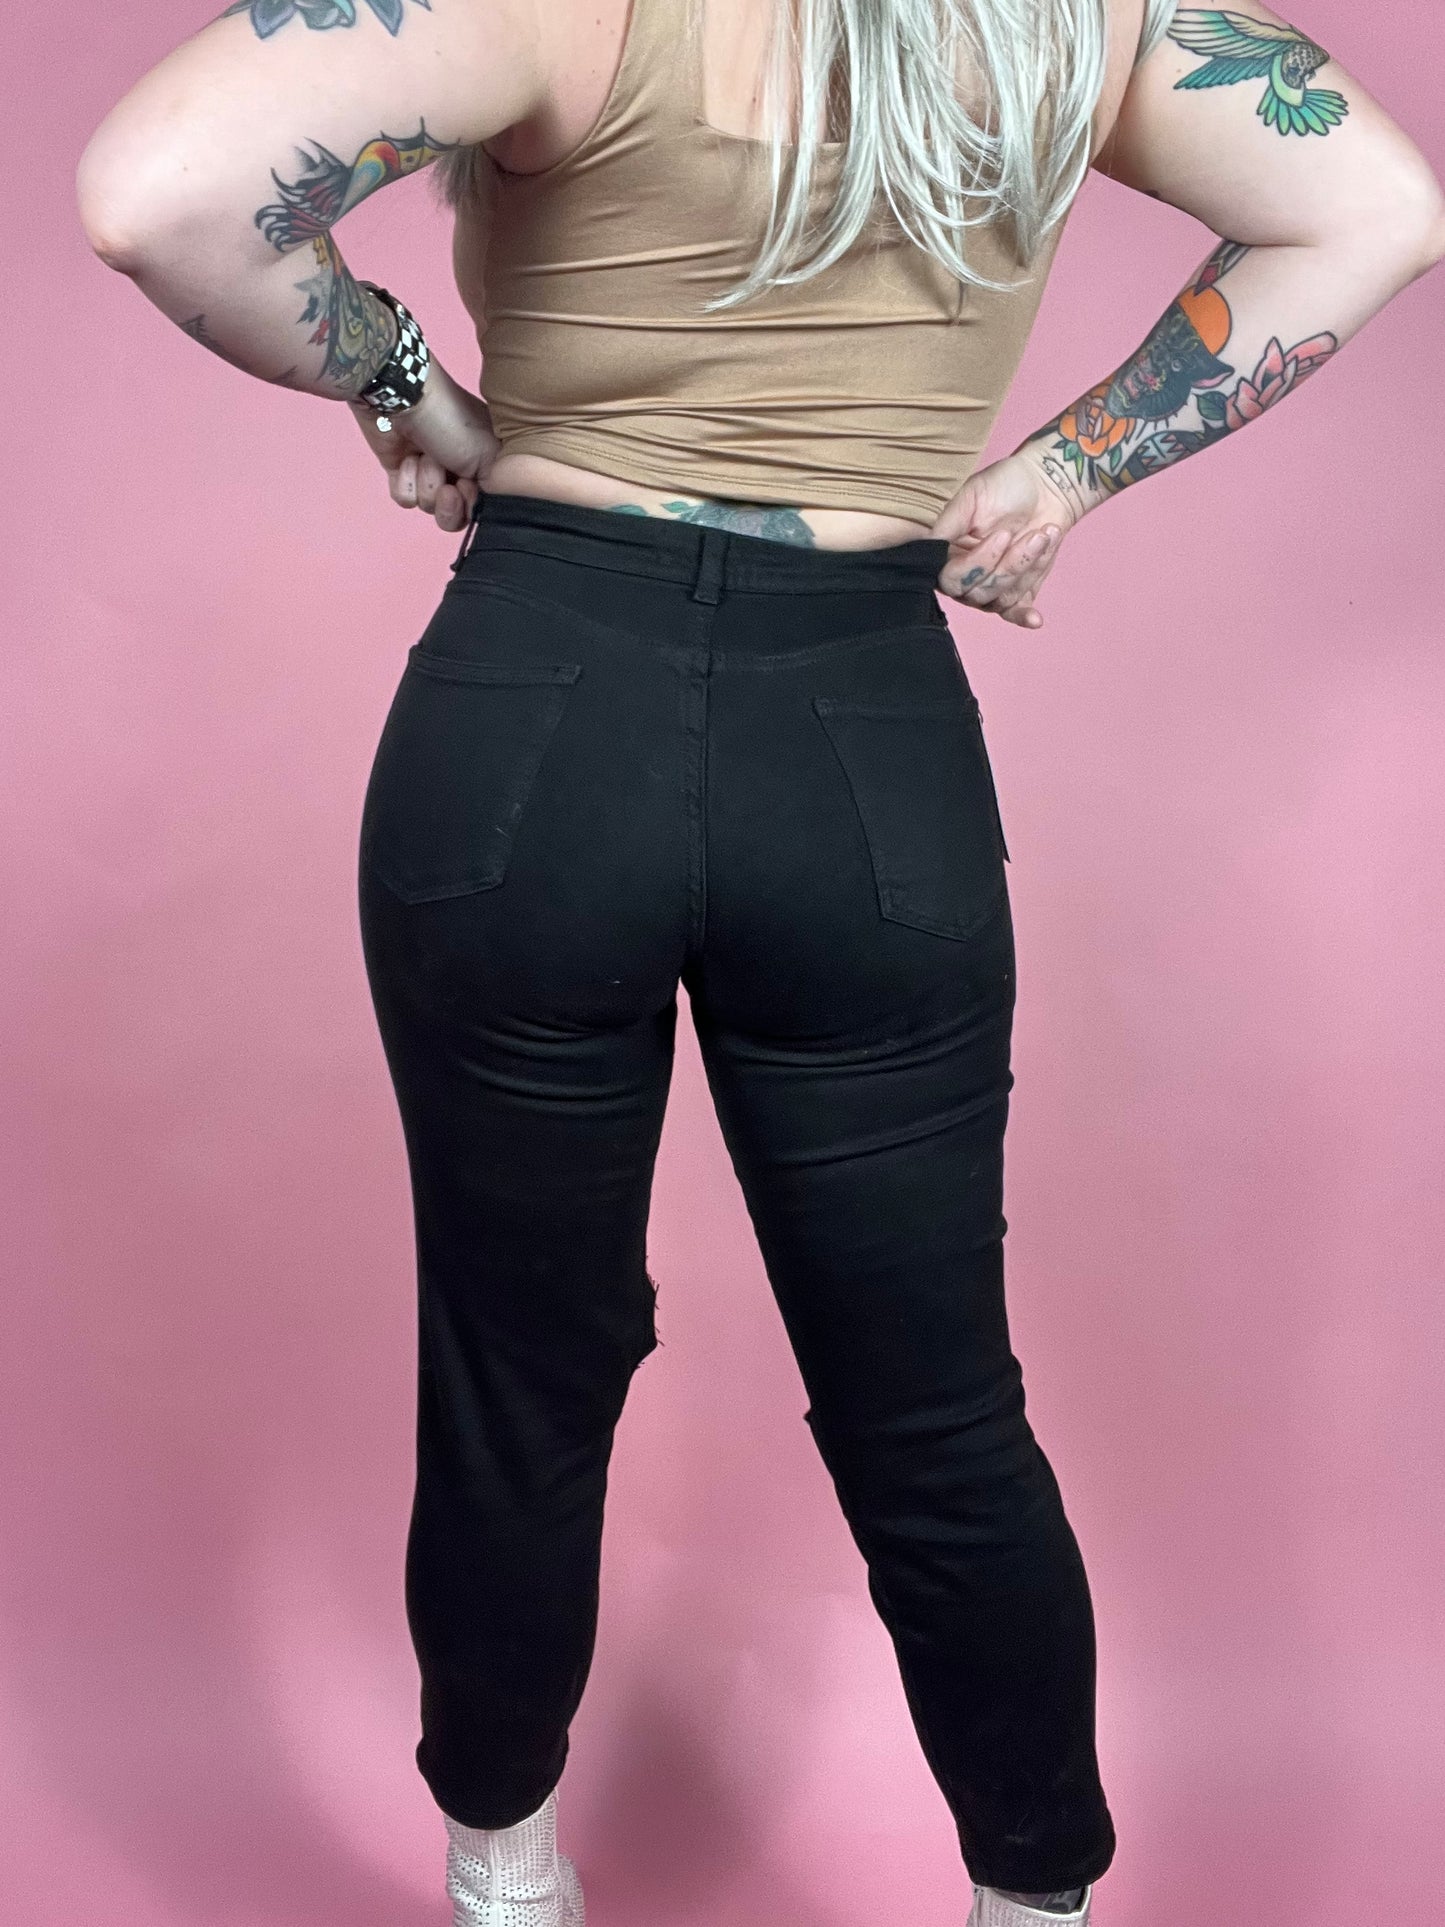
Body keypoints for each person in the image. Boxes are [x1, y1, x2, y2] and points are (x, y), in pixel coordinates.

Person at [77, 0, 1443, 1921]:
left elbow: (155, 195)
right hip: (861, 753)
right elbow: (1375, 208)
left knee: (515, 1382)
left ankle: (505, 1884)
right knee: (936, 1413)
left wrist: (403, 382)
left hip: (536, 724)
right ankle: (1033, 1903)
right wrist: (1061, 474)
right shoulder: (1082, 19)